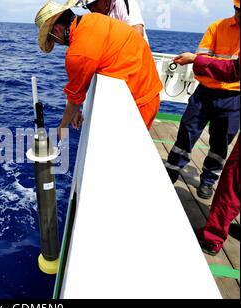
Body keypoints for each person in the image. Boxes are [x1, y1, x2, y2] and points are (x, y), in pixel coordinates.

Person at [34, 0, 162, 137]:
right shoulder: (94, 18)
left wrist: (63, 126)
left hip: (139, 104)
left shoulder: (77, 53)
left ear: (57, 30)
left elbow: (74, 96)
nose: (56, 43)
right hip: (151, 89)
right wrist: (77, 110)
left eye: (52, 39)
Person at [164, 0, 240, 200]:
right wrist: (214, 65)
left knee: (222, 141)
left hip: (234, 97)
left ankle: (207, 180)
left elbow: (206, 63)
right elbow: (201, 62)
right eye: (238, 10)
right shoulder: (217, 27)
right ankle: (171, 171)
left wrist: (209, 63)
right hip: (205, 92)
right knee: (186, 132)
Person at [173, 52, 240, 256]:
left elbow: (233, 70)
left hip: (230, 97)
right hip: (210, 93)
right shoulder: (217, 28)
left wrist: (196, 59)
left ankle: (212, 237)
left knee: (234, 182)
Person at [80, 0, 149, 42]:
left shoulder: (124, 2)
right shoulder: (99, 15)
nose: (91, 8)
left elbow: (138, 34)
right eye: (88, 5)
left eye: (93, 3)